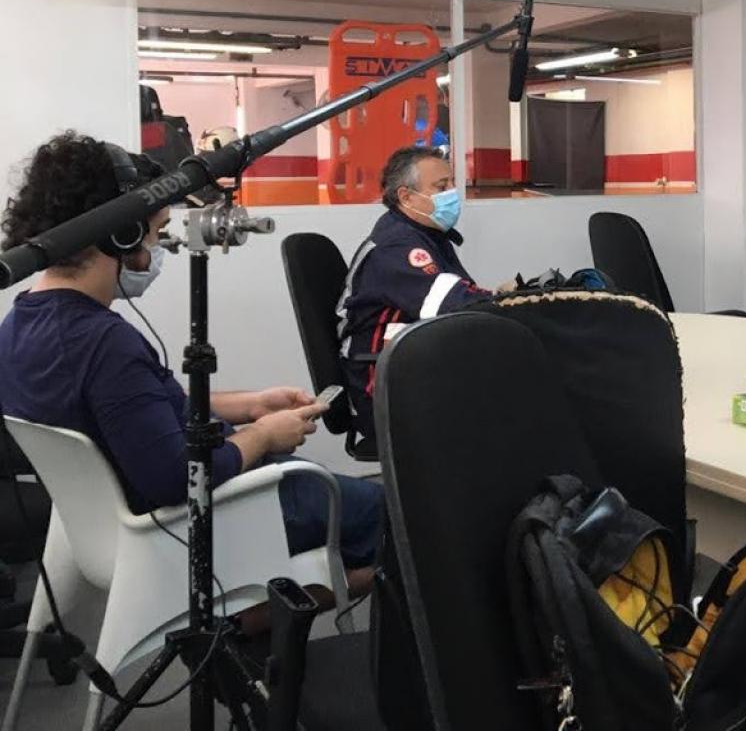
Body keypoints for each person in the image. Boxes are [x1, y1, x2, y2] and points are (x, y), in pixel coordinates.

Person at [0, 133, 382, 592]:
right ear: (120, 234)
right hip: (196, 521)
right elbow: (174, 476)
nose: (160, 248)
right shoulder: (104, 342)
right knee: (395, 516)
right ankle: (260, 613)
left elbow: (129, 411)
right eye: (158, 232)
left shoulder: (24, 320)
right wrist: (262, 436)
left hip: (107, 529)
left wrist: (249, 405)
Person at [337, 146, 493, 443]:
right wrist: (512, 305)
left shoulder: (426, 234)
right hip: (386, 387)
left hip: (414, 367)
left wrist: (504, 298)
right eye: (441, 187)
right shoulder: (398, 245)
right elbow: (454, 305)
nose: (452, 193)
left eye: (451, 184)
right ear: (406, 196)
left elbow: (463, 296)